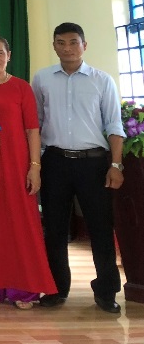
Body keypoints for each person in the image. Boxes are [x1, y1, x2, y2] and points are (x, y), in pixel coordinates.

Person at [31, 22, 126, 314]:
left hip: (93, 164)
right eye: (61, 43)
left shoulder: (102, 80)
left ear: (85, 45)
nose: (68, 48)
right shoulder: (42, 79)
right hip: (55, 162)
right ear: (54, 46)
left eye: (74, 42)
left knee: (100, 227)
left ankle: (106, 291)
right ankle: (56, 288)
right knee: (54, 229)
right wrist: (36, 164)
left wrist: (116, 164)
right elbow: (35, 124)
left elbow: (114, 125)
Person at [0, 36, 57, 309]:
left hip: (16, 164)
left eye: (0, 53)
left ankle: (25, 288)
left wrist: (35, 167)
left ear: (9, 55)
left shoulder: (21, 87)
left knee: (22, 224)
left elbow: (32, 130)